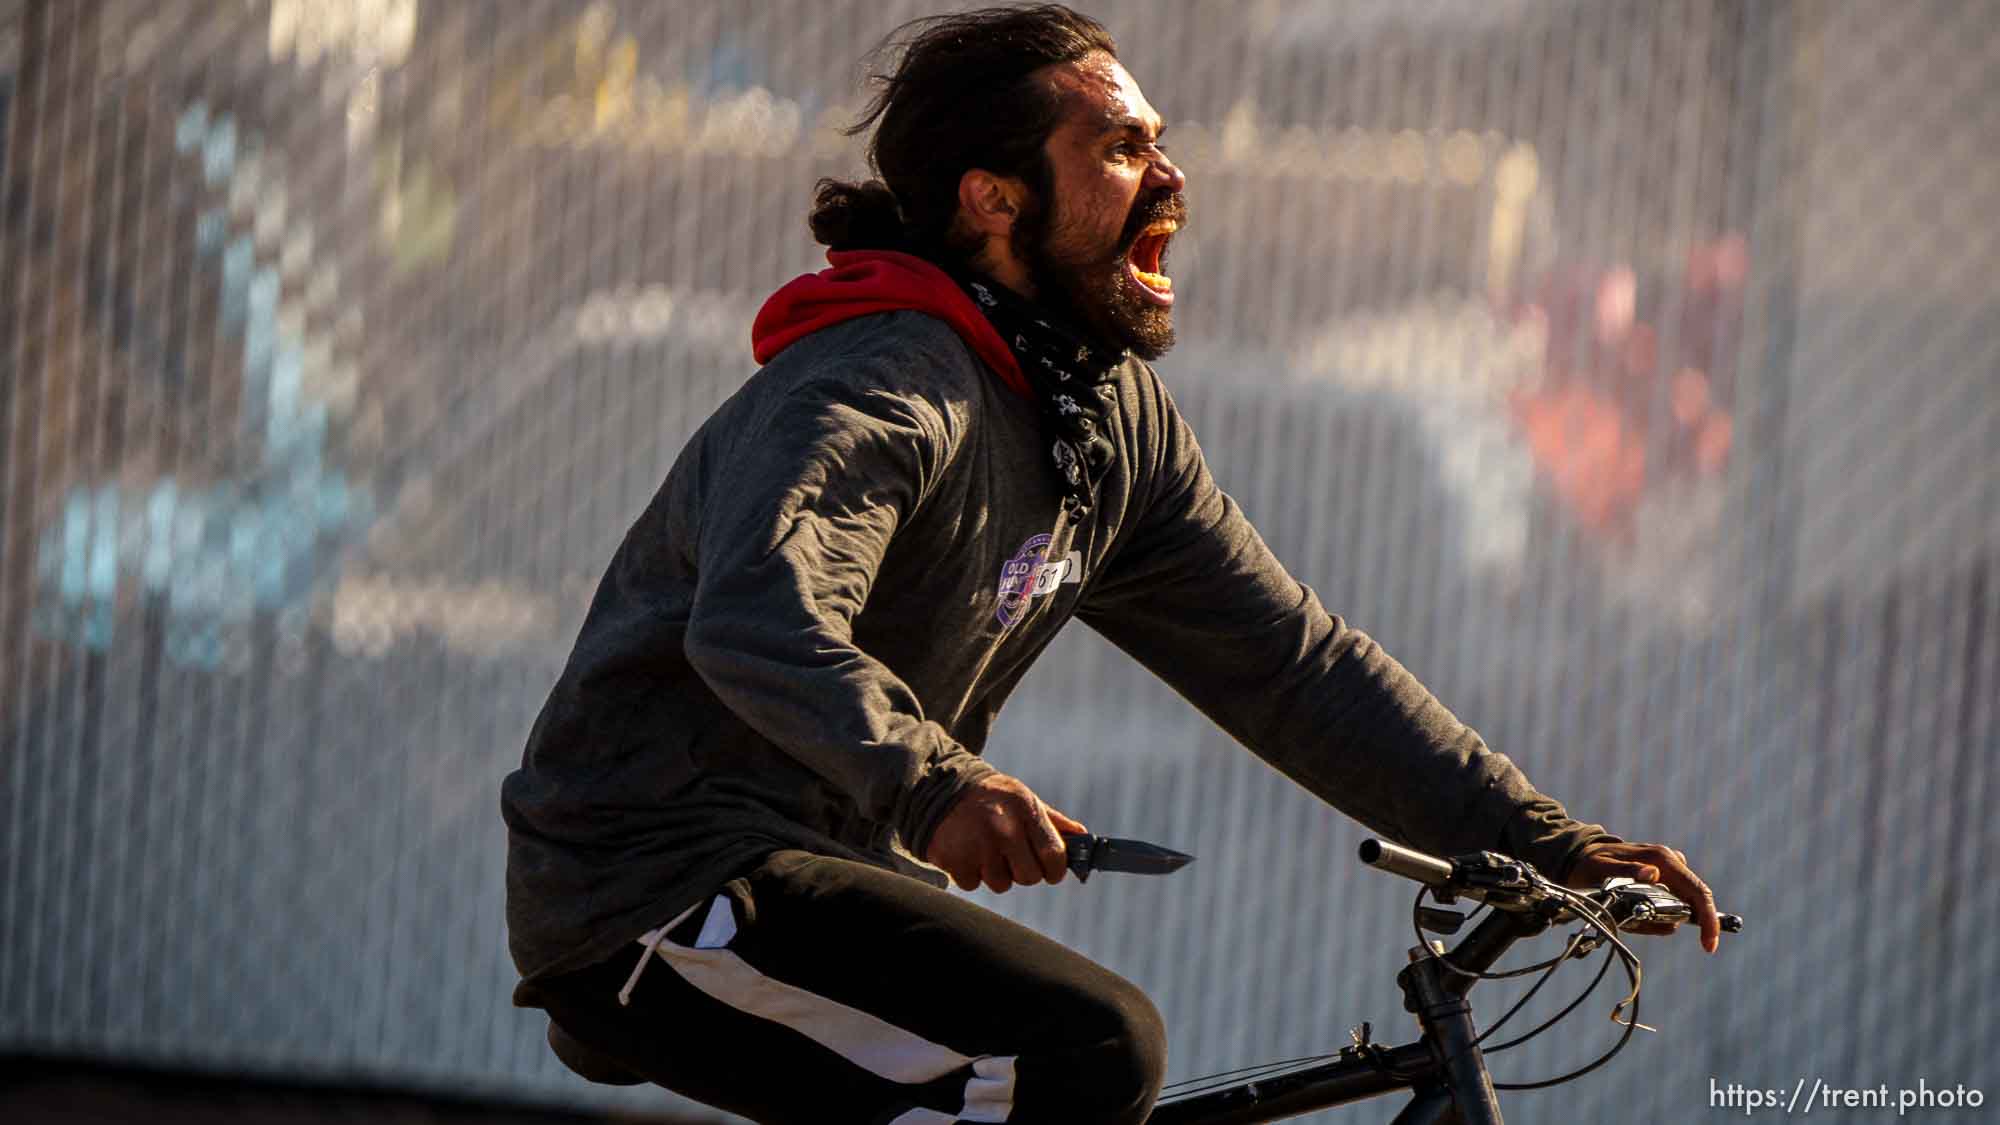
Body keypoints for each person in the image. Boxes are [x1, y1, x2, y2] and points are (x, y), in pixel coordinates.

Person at [499, 7, 1720, 1123]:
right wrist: (935, 785)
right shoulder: (880, 383)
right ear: (995, 199)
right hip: (657, 886)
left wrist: (1552, 844)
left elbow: (1293, 671)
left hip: (805, 873)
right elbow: (756, 620)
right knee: (1090, 1048)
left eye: (1160, 145)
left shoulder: (1102, 422)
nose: (1172, 181)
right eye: (1123, 150)